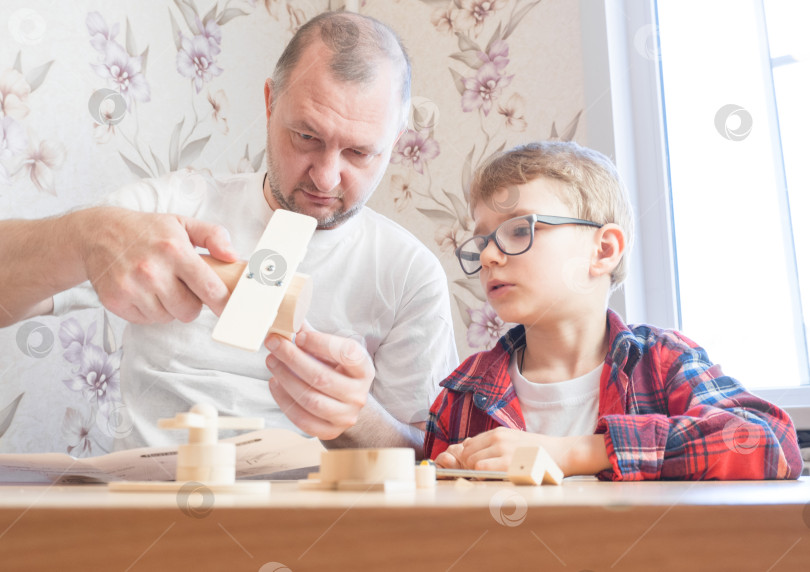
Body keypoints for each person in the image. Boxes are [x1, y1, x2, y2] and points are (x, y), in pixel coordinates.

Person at [0, 12, 458, 454]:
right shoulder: (173, 209)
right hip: (144, 518)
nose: (325, 177)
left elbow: (429, 455)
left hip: (309, 525)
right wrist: (84, 236)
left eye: (359, 152)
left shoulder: (410, 274)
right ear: (270, 103)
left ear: (394, 143)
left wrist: (356, 420)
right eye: (305, 136)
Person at [424, 140, 802, 480]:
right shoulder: (462, 395)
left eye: (519, 230)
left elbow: (772, 443)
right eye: (482, 240)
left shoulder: (662, 362)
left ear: (603, 250)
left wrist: (576, 452)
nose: (489, 255)